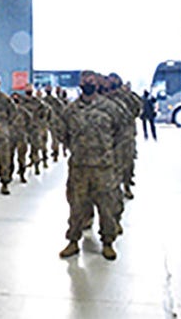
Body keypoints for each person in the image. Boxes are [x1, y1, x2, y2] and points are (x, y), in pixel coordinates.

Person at [59, 71, 122, 261]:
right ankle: (73, 241)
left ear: (97, 83)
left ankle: (108, 243)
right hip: (79, 167)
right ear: (80, 84)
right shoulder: (70, 110)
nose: (88, 83)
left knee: (106, 207)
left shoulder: (110, 108)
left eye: (91, 80)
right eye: (85, 80)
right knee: (76, 206)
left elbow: (119, 133)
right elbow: (63, 134)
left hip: (103, 167)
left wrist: (109, 155)